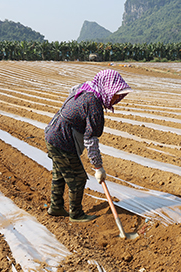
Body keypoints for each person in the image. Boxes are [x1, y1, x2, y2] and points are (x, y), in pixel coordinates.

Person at [45, 69, 132, 222]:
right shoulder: (93, 104)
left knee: (59, 173)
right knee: (77, 178)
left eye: (120, 95)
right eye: (116, 94)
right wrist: (98, 167)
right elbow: (90, 139)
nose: (118, 99)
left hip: (53, 133)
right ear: (107, 88)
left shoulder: (87, 89)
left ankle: (56, 207)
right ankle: (76, 214)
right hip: (62, 139)